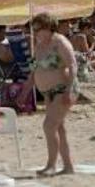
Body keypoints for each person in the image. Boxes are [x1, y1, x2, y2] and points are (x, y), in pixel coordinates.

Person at [20, 13, 78, 176]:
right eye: (34, 28)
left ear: (48, 27)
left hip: (63, 89)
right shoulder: (39, 45)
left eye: (38, 28)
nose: (35, 31)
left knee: (49, 125)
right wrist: (25, 91)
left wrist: (69, 89)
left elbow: (72, 65)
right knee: (58, 128)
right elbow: (34, 71)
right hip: (48, 92)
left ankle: (51, 165)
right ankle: (68, 166)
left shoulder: (59, 42)